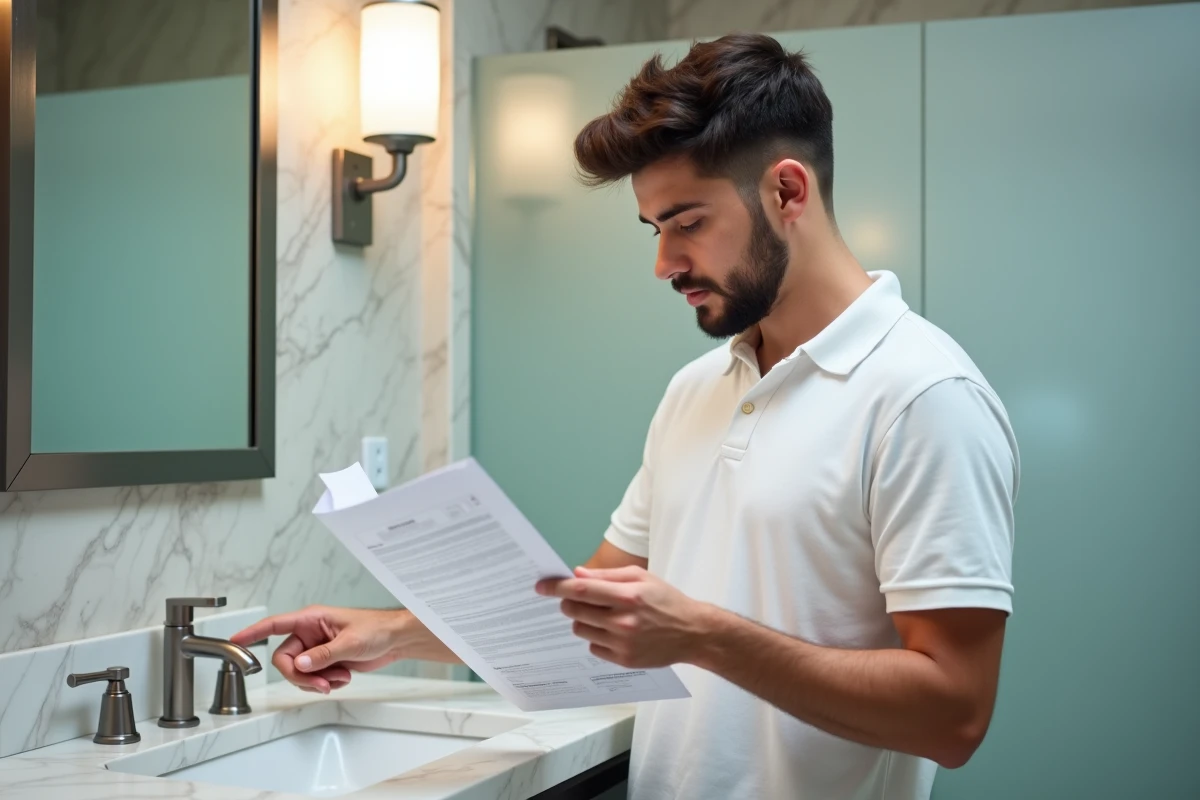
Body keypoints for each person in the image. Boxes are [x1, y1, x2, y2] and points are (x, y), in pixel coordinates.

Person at [234, 32, 1019, 800]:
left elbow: (954, 716)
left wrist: (703, 636)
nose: (663, 263)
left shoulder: (924, 398)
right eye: (655, 229)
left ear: (787, 192)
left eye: (688, 222)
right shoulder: (695, 390)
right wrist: (393, 632)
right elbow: (591, 611)